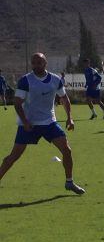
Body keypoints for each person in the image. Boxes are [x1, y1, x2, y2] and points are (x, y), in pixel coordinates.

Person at [0, 53, 85, 194]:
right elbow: (17, 103)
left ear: (45, 63)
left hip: (49, 123)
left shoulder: (55, 80)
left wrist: (70, 118)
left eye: (39, 62)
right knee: (13, 157)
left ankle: (69, 182)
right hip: (29, 124)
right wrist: (25, 121)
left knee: (67, 150)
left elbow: (64, 98)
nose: (36, 65)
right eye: (33, 63)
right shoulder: (25, 81)